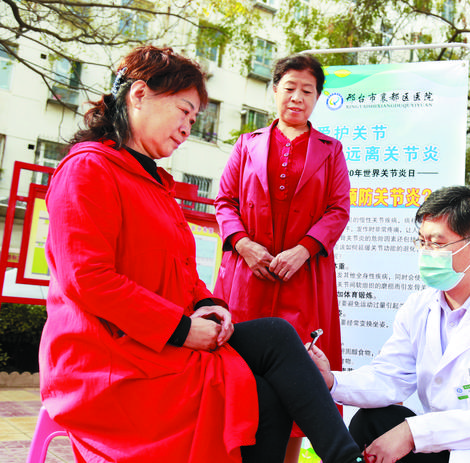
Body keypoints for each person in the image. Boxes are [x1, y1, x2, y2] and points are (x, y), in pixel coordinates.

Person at [39, 45, 364, 463]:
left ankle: (347, 458)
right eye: (184, 111)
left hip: (166, 337)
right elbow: (88, 279)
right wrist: (181, 327)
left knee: (278, 339)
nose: (187, 128)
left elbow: (182, 270)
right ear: (139, 95)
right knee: (263, 394)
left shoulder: (153, 182)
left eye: (194, 119)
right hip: (114, 356)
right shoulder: (88, 170)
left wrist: (208, 303)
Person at [308, 185, 470, 463]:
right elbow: (389, 376)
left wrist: (411, 433)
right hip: (450, 446)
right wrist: (331, 381)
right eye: (422, 242)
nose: (426, 252)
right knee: (373, 422)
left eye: (436, 243)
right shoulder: (420, 306)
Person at [213, 53, 350, 461]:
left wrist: (303, 250)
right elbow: (224, 201)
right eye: (289, 88)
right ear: (274, 90)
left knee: (300, 374)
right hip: (248, 278)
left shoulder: (331, 150)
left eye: (307, 90)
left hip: (302, 279)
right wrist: (243, 243)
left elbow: (338, 210)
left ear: (317, 98)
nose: (297, 97)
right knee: (238, 370)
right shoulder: (246, 144)